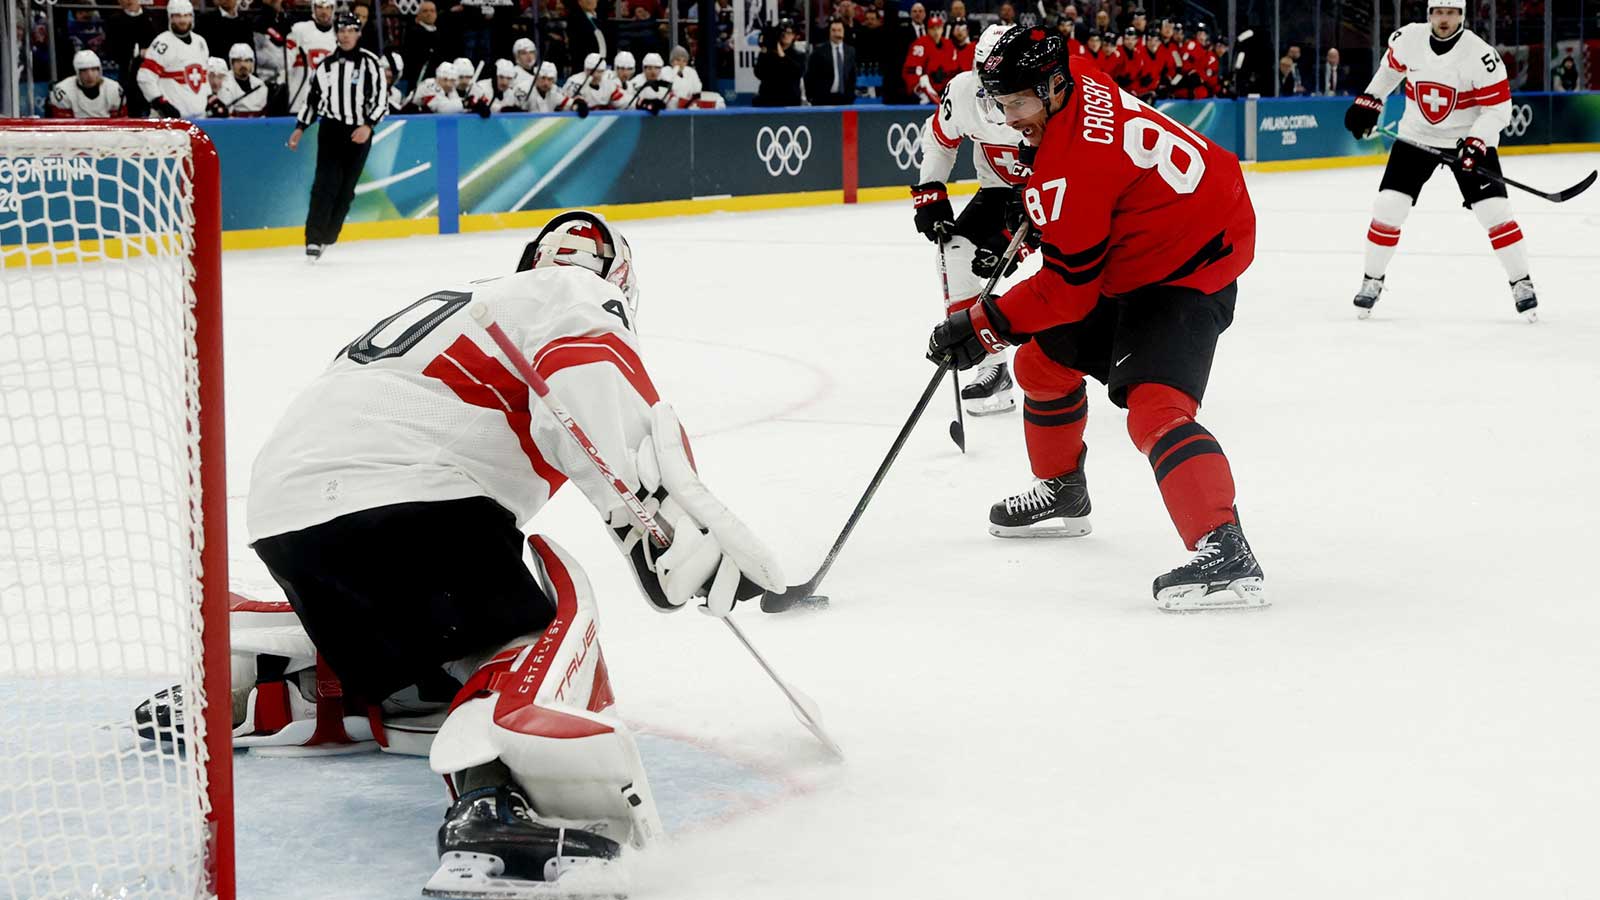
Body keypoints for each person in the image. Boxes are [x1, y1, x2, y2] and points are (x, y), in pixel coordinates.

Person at [243, 211, 782, 895]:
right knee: (545, 627)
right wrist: (672, 535)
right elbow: (592, 398)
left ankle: (315, 681)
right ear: (616, 275)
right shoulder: (572, 293)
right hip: (402, 496)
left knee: (428, 605)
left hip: (287, 521)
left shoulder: (474, 301)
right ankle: (499, 798)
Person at [925, 26, 1266, 612]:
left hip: (1191, 260)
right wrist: (1042, 213)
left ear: (1052, 86)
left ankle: (1225, 549)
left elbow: (1067, 292)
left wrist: (984, 323)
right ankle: (1063, 490)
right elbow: (1088, 185)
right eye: (1001, 106)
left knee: (1156, 407)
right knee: (1040, 364)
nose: (1009, 120)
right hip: (1152, 236)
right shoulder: (1078, 73)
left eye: (1018, 105)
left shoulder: (1069, 167)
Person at [1343, 0, 1535, 320]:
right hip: (1416, 137)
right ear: (1430, 14)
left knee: (1495, 212)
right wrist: (1370, 101)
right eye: (1439, 13)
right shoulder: (1409, 40)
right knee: (1388, 207)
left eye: (1451, 13)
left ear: (1461, 16)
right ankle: (1372, 280)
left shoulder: (1481, 55)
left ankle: (1522, 283)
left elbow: (1498, 110)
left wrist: (1476, 143)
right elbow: (1390, 71)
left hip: (1465, 140)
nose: (1444, 19)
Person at [910, 24, 1027, 416]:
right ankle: (993, 367)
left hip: (1057, 194)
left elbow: (1072, 176)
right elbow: (940, 140)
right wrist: (931, 191)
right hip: (999, 189)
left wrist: (1018, 240)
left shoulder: (1042, 97)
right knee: (955, 251)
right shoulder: (962, 92)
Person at [288, 12, 388, 261]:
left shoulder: (371, 63)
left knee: (346, 189)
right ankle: (313, 238)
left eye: (349, 30)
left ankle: (328, 235)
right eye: (341, 30)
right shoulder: (325, 66)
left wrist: (368, 125)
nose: (344, 35)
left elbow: (381, 100)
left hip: (359, 132)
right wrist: (300, 128)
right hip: (331, 129)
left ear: (358, 33)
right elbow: (312, 100)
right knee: (324, 184)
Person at [137, 0, 212, 119]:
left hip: (199, 119)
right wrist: (161, 103)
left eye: (186, 15)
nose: (183, 20)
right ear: (170, 18)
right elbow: (145, 77)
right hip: (169, 120)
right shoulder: (162, 43)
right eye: (178, 16)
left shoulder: (200, 42)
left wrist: (211, 98)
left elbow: (203, 76)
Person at [279, 0, 339, 114]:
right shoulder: (299, 30)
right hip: (299, 101)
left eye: (328, 8)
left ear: (333, 9)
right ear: (313, 8)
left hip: (328, 106)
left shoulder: (339, 35)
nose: (324, 11)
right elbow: (285, 63)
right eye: (320, 7)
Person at [104, 0, 160, 116]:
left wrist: (149, 52)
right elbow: (110, 47)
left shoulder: (153, 17)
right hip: (128, 71)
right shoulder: (114, 20)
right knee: (133, 108)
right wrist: (133, 52)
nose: (129, 1)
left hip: (152, 70)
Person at [48, 50, 126, 118]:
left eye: (94, 69)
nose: (90, 75)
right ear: (77, 72)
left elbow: (121, 125)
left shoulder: (114, 89)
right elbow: (63, 127)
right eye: (84, 70)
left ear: (100, 70)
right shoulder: (63, 91)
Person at [902, 12, 957, 104]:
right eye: (932, 29)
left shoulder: (949, 44)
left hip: (943, 88)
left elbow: (953, 68)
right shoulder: (920, 44)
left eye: (938, 28)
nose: (936, 32)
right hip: (921, 89)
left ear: (942, 29)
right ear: (928, 30)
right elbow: (912, 70)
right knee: (924, 80)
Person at [804, 18, 856, 106]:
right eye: (833, 30)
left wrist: (851, 94)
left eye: (839, 30)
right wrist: (811, 97)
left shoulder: (850, 51)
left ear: (844, 31)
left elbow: (852, 75)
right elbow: (810, 75)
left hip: (845, 99)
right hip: (823, 99)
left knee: (847, 120)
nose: (836, 33)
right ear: (829, 32)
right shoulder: (819, 51)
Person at [753, 20, 804, 107]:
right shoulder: (768, 54)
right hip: (767, 100)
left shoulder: (798, 55)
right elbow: (759, 74)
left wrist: (781, 53)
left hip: (790, 101)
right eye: (782, 32)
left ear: (794, 36)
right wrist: (764, 50)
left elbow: (797, 72)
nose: (785, 35)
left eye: (789, 32)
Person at [211, 42, 268, 116]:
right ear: (232, 63)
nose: (243, 65)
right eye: (238, 61)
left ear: (252, 63)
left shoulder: (260, 85)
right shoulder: (224, 83)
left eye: (247, 61)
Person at [559, 54, 624, 114]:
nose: (596, 75)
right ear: (585, 69)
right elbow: (567, 105)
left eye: (600, 71)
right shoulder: (574, 81)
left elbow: (622, 102)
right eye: (592, 71)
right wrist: (576, 105)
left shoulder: (608, 82)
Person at [196, 0, 253, 67]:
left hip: (242, 69)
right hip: (217, 69)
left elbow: (251, 49)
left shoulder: (245, 20)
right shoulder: (206, 20)